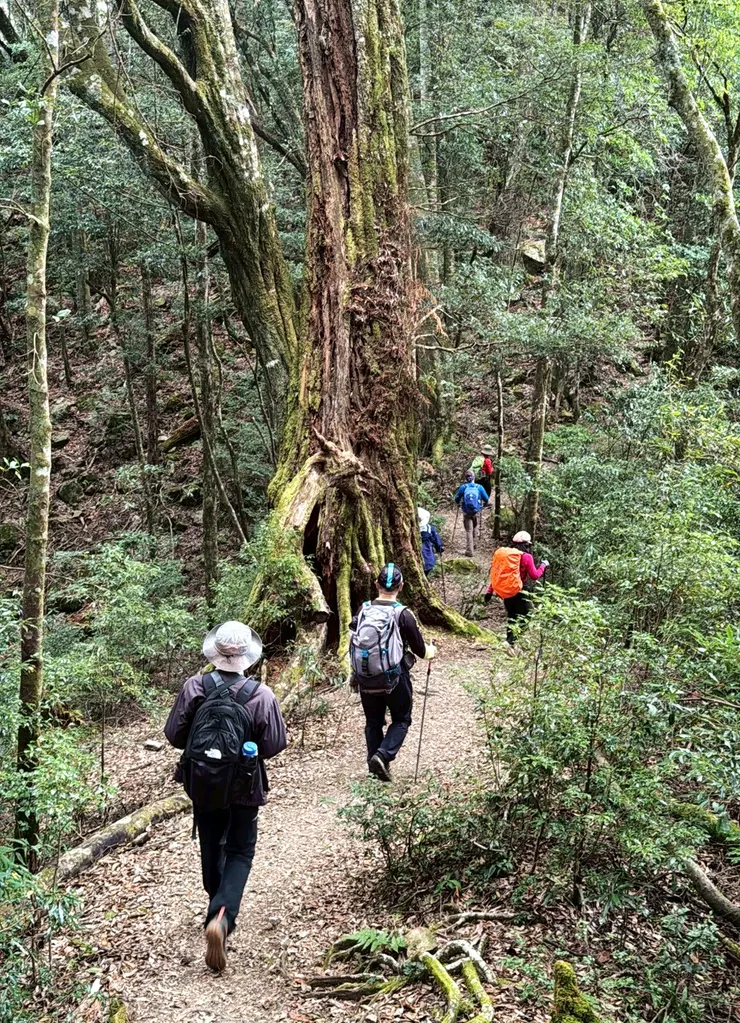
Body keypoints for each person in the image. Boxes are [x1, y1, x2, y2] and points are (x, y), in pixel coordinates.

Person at [164, 621, 287, 972]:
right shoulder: (260, 695)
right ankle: (221, 917)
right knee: (239, 851)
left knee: (211, 844)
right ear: (247, 657)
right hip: (245, 788)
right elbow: (275, 743)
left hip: (202, 784)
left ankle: (215, 907)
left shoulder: (194, 687)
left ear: (215, 654)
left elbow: (174, 735)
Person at [349, 564, 437, 782]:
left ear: (377, 585)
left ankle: (375, 764)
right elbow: (420, 650)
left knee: (373, 722)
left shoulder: (363, 610)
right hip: (394, 677)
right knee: (402, 719)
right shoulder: (402, 614)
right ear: (401, 586)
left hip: (366, 678)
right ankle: (382, 755)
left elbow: (353, 636)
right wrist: (431, 651)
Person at [485, 531, 548, 655]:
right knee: (528, 616)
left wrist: (489, 591)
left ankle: (509, 644)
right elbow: (535, 576)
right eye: (528, 545)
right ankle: (510, 642)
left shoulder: (504, 555)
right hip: (520, 591)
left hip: (507, 591)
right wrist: (543, 566)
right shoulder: (526, 557)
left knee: (512, 617)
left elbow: (498, 574)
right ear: (526, 545)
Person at [453, 469, 490, 557]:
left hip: (466, 511)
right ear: (474, 477)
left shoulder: (463, 487)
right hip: (476, 510)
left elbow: (456, 499)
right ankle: (474, 544)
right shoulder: (479, 487)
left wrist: (458, 502)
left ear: (466, 478)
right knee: (475, 526)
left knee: (469, 530)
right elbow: (486, 499)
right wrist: (484, 504)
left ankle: (470, 551)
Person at [418, 507, 444, 575]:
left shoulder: (411, 530)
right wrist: (440, 549)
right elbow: (437, 540)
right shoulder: (430, 528)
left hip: (416, 561)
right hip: (428, 559)